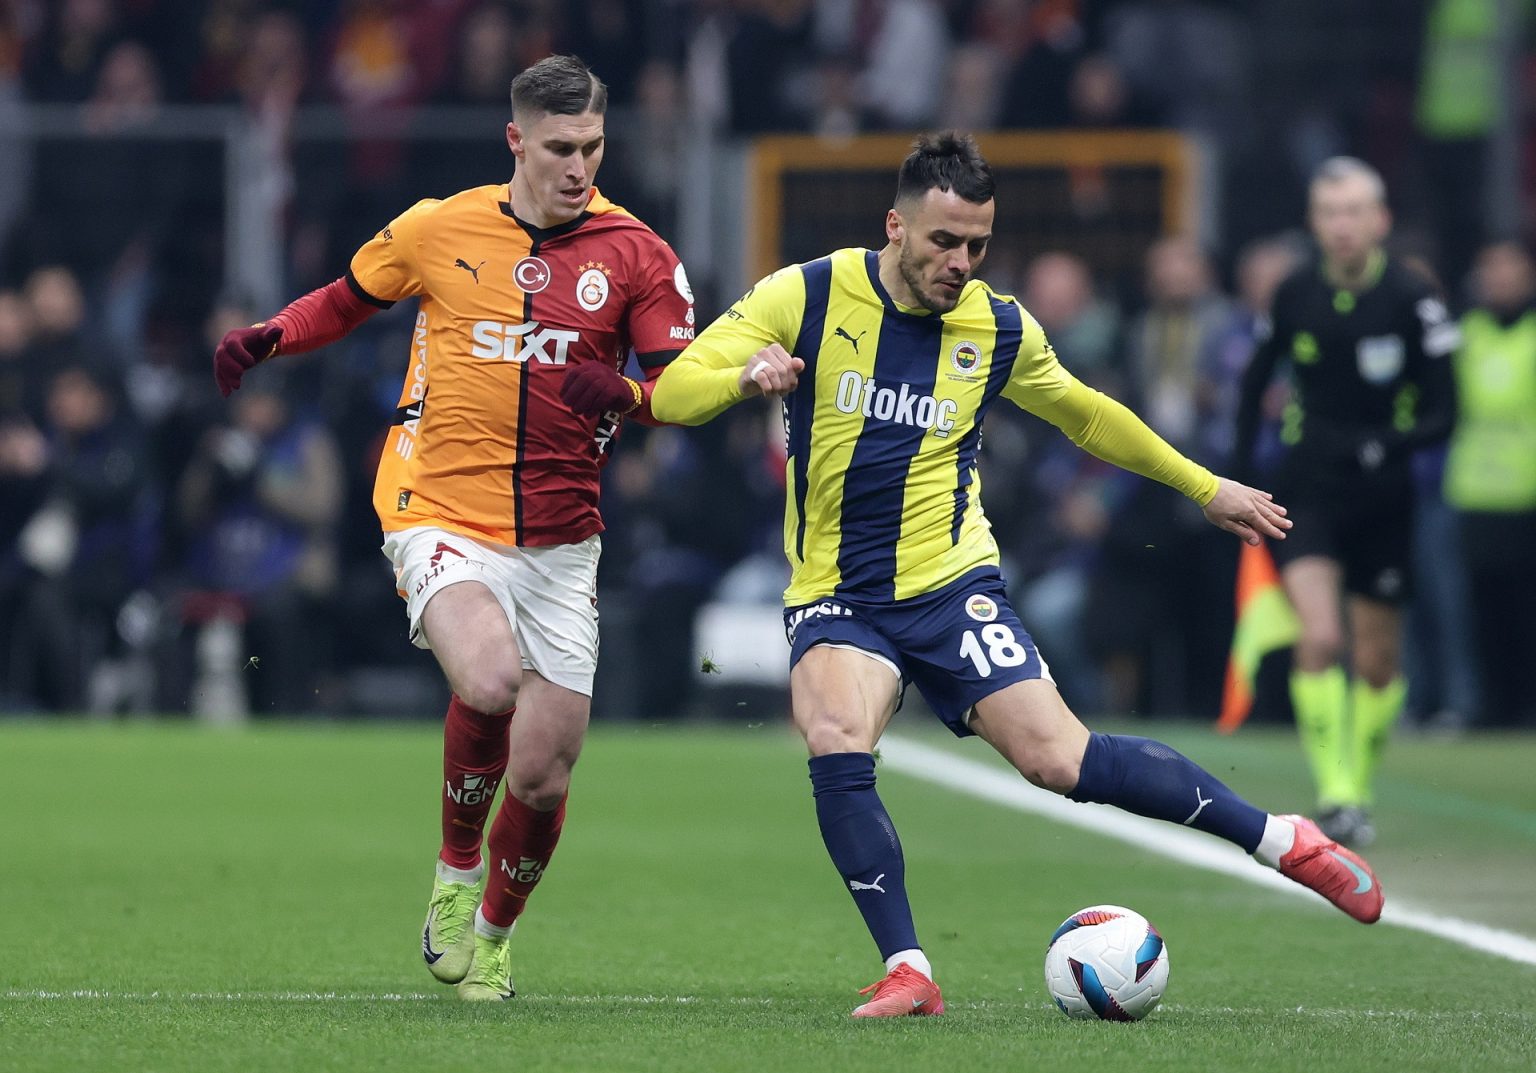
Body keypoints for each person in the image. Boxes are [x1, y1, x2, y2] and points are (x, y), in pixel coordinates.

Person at [626, 132, 1384, 1018]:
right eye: (944, 241)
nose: (960, 262)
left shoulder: (998, 326)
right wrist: (742, 377)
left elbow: (1086, 415)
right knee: (835, 732)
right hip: (838, 592)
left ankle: (1282, 839)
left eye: (977, 244)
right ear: (895, 227)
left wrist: (1204, 486)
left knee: (1060, 761)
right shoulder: (809, 293)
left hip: (952, 584)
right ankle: (910, 968)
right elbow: (671, 392)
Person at [212, 55, 695, 1001]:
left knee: (544, 775)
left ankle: (495, 936)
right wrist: (272, 336)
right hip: (436, 506)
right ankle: (455, 865)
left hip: (563, 539)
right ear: (516, 140)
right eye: (559, 147)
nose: (578, 166)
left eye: (592, 146)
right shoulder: (440, 225)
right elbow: (347, 298)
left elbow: (679, 389)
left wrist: (630, 396)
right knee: (489, 676)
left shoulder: (639, 253)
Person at [1232, 158, 1458, 847]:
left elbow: (1446, 413)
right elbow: (1254, 384)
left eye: (1355, 211)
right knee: (1321, 636)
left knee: (1378, 661)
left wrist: (1387, 445)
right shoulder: (1294, 292)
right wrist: (1238, 477)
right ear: (1314, 221)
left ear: (1380, 220)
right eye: (1330, 212)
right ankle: (1335, 793)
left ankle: (1357, 786)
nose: (1342, 225)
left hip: (1384, 496)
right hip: (1310, 488)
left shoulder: (1413, 300)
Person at [1444, 240, 1536, 727]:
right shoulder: (1467, 333)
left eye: (1509, 269)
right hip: (1474, 489)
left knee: (1526, 608)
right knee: (1482, 608)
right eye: (1491, 269)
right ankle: (1493, 706)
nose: (1500, 279)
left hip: (1527, 493)